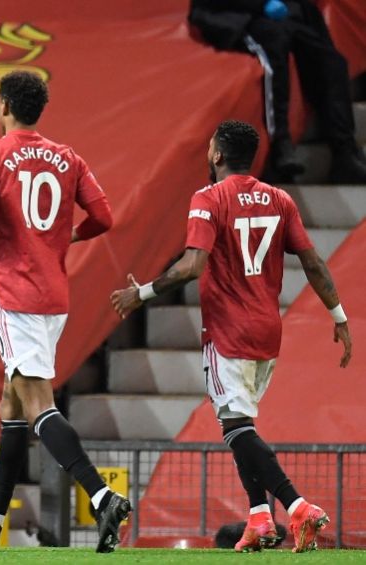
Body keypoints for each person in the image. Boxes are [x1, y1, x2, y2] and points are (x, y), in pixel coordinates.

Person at [111, 119, 352, 553]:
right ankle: (260, 517)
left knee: (236, 426)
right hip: (268, 331)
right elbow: (313, 262)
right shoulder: (280, 199)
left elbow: (191, 266)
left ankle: (297, 507)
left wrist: (140, 293)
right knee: (241, 425)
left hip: (228, 330)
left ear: (218, 155)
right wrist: (338, 315)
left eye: (209, 148)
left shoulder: (209, 198)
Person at [0, 70, 129, 554]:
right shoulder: (67, 157)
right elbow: (105, 217)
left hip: (15, 294)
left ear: (4, 105)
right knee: (10, 407)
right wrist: (64, 236)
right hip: (54, 296)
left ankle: (101, 494)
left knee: (36, 405)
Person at [189, 0, 366, 183]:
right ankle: (280, 146)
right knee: (274, 45)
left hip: (283, 14)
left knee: (332, 62)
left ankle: (344, 152)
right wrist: (261, 5)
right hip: (239, 15)